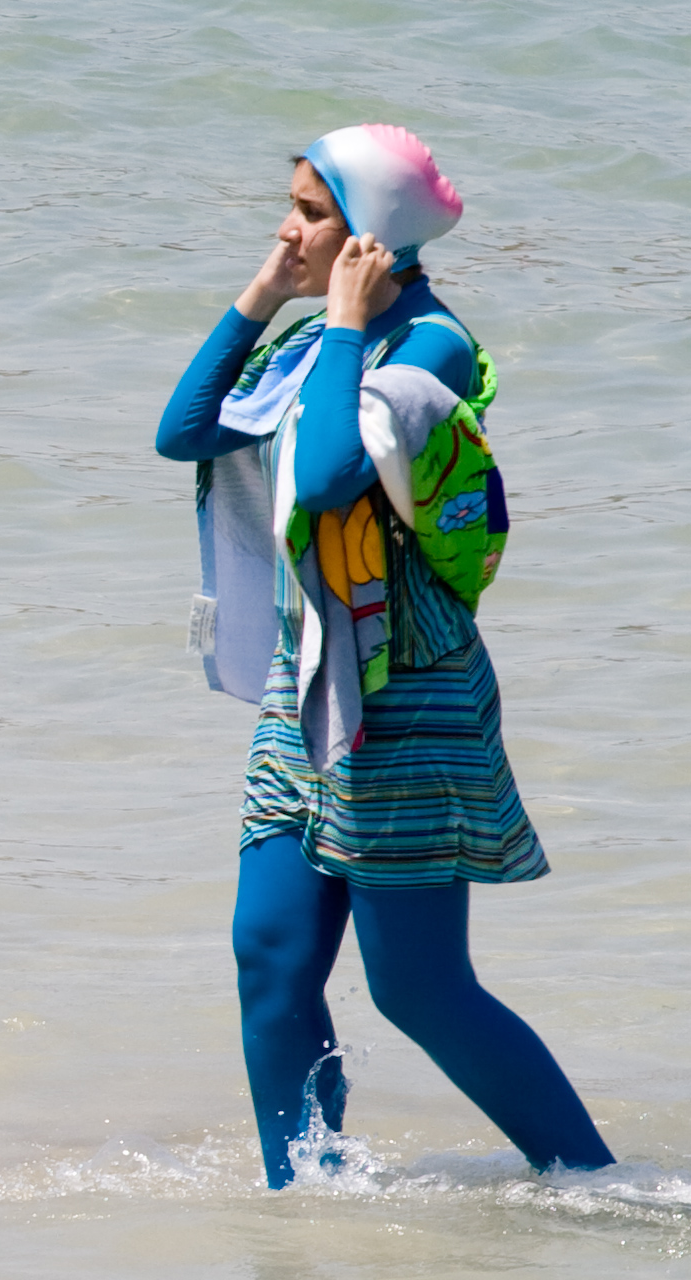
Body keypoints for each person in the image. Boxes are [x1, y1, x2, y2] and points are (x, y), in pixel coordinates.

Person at [156, 125, 614, 1189]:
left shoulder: (430, 346)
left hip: (402, 691)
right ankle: (303, 1195)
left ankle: (592, 1180)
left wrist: (349, 322)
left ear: (373, 232)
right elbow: (183, 434)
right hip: (305, 680)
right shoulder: (313, 340)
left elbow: (320, 474)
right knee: (268, 956)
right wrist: (261, 297)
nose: (288, 227)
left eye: (312, 213)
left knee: (415, 984)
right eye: (290, 207)